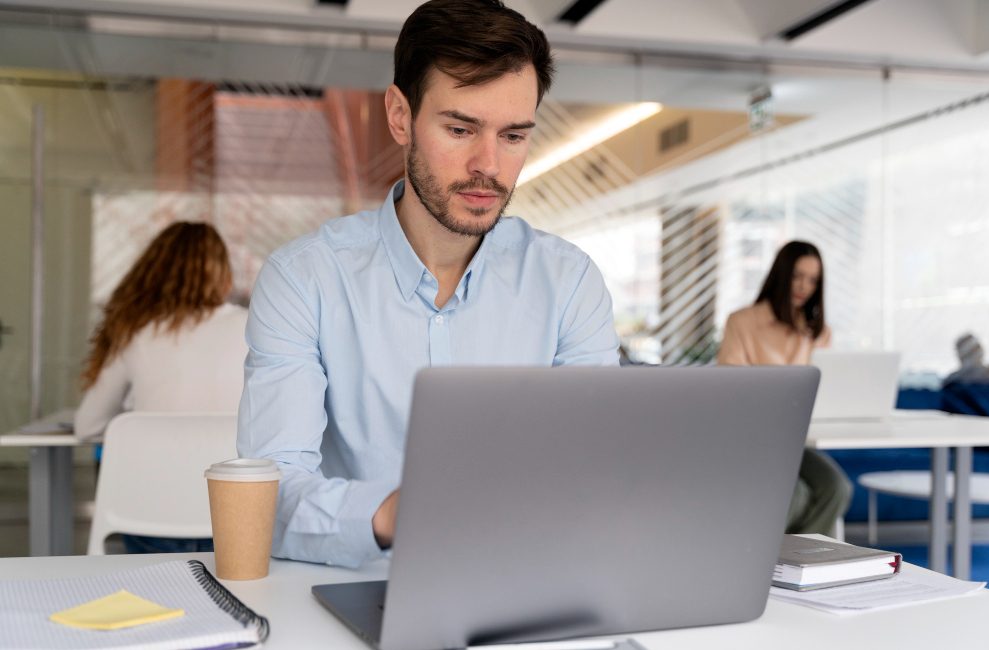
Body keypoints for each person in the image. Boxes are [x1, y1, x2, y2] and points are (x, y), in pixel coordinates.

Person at [237, 0, 619, 568]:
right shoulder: (305, 280)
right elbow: (264, 496)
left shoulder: (569, 282)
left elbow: (596, 471)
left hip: (524, 582)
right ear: (400, 116)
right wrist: (399, 513)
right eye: (460, 129)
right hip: (356, 585)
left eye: (513, 136)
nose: (488, 164)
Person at [75, 221, 248, 552]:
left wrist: (141, 418)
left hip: (149, 513)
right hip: (236, 513)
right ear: (223, 273)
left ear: (152, 273)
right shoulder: (253, 327)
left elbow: (88, 426)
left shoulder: (134, 331)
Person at [716, 240, 852, 538]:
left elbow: (828, 392)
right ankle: (770, 559)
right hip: (753, 439)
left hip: (798, 439)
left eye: (813, 280)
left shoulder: (818, 332)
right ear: (781, 274)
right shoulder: (743, 322)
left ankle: (803, 558)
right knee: (797, 496)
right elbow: (728, 392)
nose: (804, 286)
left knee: (837, 488)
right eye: (797, 276)